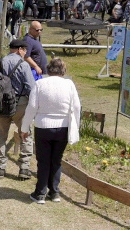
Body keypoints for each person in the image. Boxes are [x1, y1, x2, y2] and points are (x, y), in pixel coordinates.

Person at [20, 58, 81, 204]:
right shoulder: (69, 84)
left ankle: (40, 193)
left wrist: (24, 127)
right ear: (63, 71)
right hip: (63, 127)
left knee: (43, 160)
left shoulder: (40, 83)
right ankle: (54, 192)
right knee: (56, 160)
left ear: (48, 70)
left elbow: (32, 107)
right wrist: (75, 127)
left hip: (43, 127)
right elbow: (77, 107)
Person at [0, 39, 37, 180]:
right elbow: (31, 87)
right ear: (20, 49)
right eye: (25, 51)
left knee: (1, 135)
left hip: (2, 104)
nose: (25, 53)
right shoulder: (24, 65)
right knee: (25, 134)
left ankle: (0, 168)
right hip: (20, 104)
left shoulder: (0, 62)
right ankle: (24, 168)